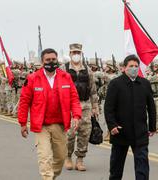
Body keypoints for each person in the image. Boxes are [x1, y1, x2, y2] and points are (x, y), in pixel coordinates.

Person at [18, 48, 82, 180]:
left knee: (60, 157)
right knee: (45, 157)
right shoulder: (32, 78)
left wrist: (76, 116)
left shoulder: (66, 77)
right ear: (42, 61)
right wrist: (23, 123)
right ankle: (47, 177)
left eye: (53, 59)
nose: (51, 62)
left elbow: (74, 99)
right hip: (42, 126)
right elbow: (24, 102)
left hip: (60, 125)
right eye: (48, 60)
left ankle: (51, 176)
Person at [105, 54, 156, 180]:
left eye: (136, 66)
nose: (134, 68)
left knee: (142, 165)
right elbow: (108, 108)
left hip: (140, 132)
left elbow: (151, 106)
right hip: (121, 131)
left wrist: (152, 126)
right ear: (124, 68)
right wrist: (112, 125)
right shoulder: (115, 84)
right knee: (116, 166)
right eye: (131, 66)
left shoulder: (144, 83)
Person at [61, 43, 99, 171]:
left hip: (85, 104)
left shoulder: (87, 70)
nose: (76, 55)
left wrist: (95, 107)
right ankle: (68, 157)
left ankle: (80, 159)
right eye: (74, 52)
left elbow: (93, 90)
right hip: (69, 105)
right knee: (70, 133)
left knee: (84, 132)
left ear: (81, 54)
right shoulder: (63, 69)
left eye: (78, 52)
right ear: (70, 54)